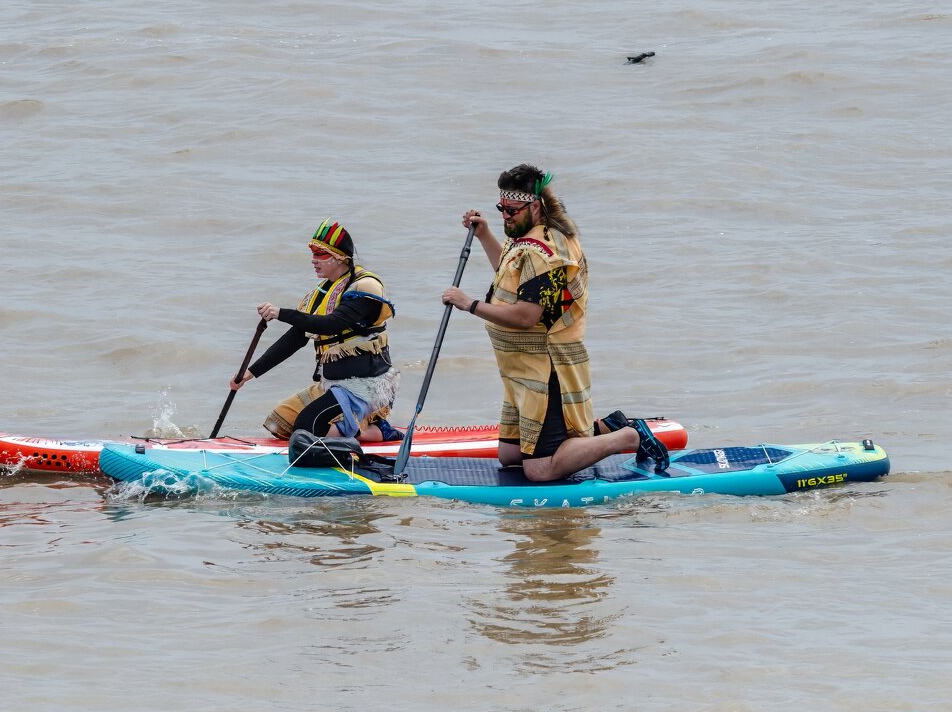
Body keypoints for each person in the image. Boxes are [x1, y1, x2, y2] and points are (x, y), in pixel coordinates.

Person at [441, 164, 669, 480]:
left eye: (511, 210)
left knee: (539, 470)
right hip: (521, 369)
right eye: (501, 209)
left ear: (535, 206)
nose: (505, 216)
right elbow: (510, 275)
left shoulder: (545, 252)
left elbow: (526, 315)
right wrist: (485, 235)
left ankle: (627, 437)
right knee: (509, 458)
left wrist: (470, 305)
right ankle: (607, 425)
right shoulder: (527, 238)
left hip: (546, 369)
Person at [230, 218, 402, 443]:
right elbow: (295, 338)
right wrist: (248, 374)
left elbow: (332, 324)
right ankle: (354, 424)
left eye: (320, 254)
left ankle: (376, 431)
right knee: (280, 423)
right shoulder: (320, 293)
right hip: (331, 384)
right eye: (312, 254)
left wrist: (281, 313)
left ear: (340, 256)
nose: (313, 261)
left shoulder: (364, 286)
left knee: (307, 428)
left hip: (364, 385)